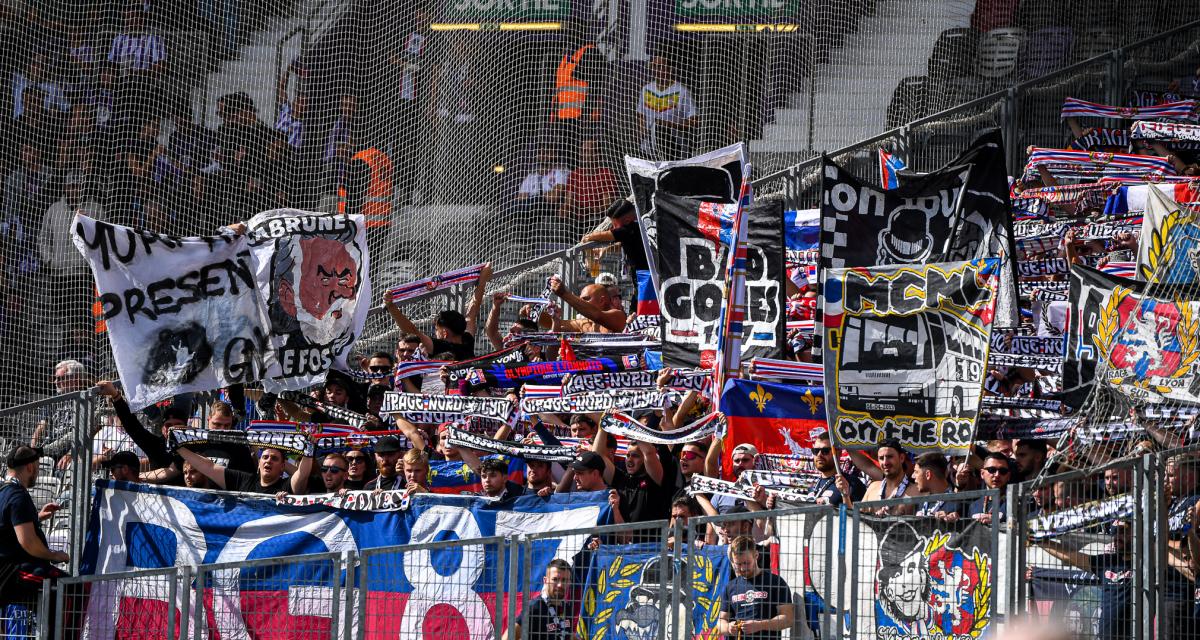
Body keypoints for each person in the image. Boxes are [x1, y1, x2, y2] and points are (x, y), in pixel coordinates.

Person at [1033, 520, 1132, 640]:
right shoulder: (1107, 561)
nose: (1117, 537)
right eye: (1114, 533)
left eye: (1122, 532)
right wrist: (1038, 540)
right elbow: (1070, 556)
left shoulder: (1147, 563)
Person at [0, 446, 69, 614]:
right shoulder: (18, 496)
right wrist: (54, 555)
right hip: (12, 572)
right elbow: (28, 542)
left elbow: (8, 526)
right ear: (30, 467)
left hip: (7, 570)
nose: (37, 472)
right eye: (37, 467)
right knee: (68, 587)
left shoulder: (3, 491)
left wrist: (37, 518)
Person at [384, 264, 492, 362]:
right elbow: (472, 314)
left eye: (437, 329)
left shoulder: (440, 347)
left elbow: (412, 330)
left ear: (444, 333)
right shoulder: (467, 340)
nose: (435, 333)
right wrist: (483, 279)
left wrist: (391, 306)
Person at [718, 535, 794, 639]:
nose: (742, 568)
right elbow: (721, 622)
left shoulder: (775, 582)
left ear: (756, 555)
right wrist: (729, 628)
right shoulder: (730, 587)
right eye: (738, 564)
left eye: (746, 563)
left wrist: (760, 625)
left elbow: (788, 619)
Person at [177, 446, 308, 495]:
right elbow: (208, 467)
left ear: (282, 467)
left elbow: (302, 474)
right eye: (265, 457)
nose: (268, 461)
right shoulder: (244, 480)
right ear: (259, 463)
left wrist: (309, 451)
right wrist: (177, 447)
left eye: (274, 459)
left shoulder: (286, 486)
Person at [636, 56, 696, 160]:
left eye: (660, 66)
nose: (656, 70)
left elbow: (694, 121)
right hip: (648, 150)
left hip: (674, 148)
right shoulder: (646, 89)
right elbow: (641, 116)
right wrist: (640, 135)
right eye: (653, 66)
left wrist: (668, 125)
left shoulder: (682, 91)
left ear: (670, 69)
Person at [560, 139, 617, 241]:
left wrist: (587, 209)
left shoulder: (605, 174)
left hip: (597, 220)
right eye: (582, 151)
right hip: (576, 221)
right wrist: (565, 209)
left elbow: (607, 205)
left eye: (586, 151)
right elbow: (568, 202)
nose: (582, 154)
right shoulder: (574, 175)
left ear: (596, 154)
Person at [503, 558, 573, 640]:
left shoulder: (567, 608)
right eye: (555, 579)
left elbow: (566, 635)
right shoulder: (534, 608)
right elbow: (507, 637)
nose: (560, 585)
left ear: (569, 583)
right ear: (545, 580)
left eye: (564, 580)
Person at [543, 275, 626, 333]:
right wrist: (555, 319)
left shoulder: (619, 316)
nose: (581, 302)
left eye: (586, 299)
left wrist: (564, 294)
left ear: (602, 300)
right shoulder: (584, 324)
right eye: (580, 299)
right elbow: (550, 323)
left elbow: (597, 315)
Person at [861, 439, 919, 515]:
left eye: (890, 457)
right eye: (881, 458)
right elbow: (857, 519)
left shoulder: (916, 491)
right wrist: (845, 496)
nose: (885, 462)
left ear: (901, 458)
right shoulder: (873, 487)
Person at [810, 433, 864, 507]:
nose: (819, 455)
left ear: (838, 453)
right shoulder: (815, 483)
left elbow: (858, 516)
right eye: (815, 451)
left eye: (825, 451)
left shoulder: (852, 483)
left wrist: (845, 496)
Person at [911, 452, 961, 519]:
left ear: (928, 474)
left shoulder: (956, 505)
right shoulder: (921, 503)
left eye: (916, 472)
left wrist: (950, 523)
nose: (913, 476)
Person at [969, 452, 1012, 523]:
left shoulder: (1015, 502)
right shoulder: (974, 506)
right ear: (982, 474)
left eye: (1003, 471)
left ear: (1008, 476)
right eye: (992, 470)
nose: (997, 475)